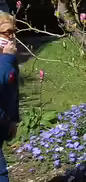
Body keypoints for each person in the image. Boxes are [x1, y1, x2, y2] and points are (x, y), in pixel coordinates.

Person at [0, 12, 19, 182]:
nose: (12, 37)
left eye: (14, 32)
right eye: (6, 32)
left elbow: (12, 90)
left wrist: (13, 119)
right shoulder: (6, 59)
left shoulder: (7, 58)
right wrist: (6, 59)